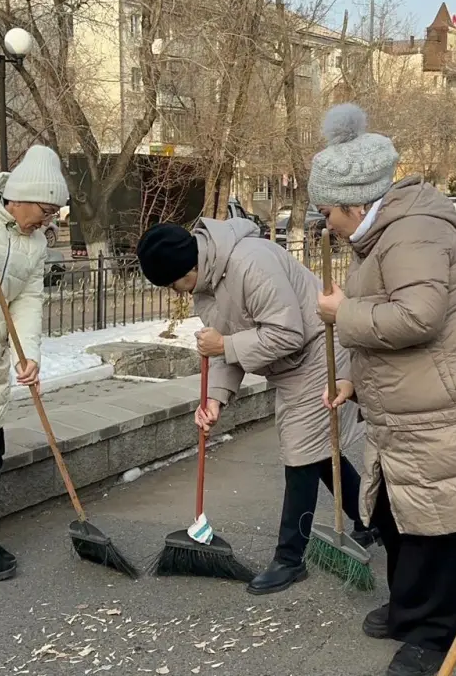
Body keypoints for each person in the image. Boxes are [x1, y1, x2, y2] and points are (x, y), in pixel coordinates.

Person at [308, 102, 456, 676]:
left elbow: (418, 317)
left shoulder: (410, 234)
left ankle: (434, 633)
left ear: (356, 203)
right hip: (412, 410)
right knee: (395, 514)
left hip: (448, 410)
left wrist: (344, 311)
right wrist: (355, 381)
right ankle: (411, 610)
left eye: (327, 211)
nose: (325, 222)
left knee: (438, 524)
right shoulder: (384, 235)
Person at [137, 216, 376, 594]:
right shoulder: (206, 287)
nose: (179, 293)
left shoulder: (251, 262)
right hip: (289, 364)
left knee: (300, 454)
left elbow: (287, 333)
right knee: (315, 451)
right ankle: (370, 520)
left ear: (191, 267)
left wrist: (225, 346)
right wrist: (215, 399)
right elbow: (222, 347)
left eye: (174, 283)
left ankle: (289, 558)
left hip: (319, 353)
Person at [0, 145, 69, 581]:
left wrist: (27, 356)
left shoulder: (33, 244)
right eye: (46, 211)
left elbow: (29, 301)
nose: (48, 221)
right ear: (24, 196)